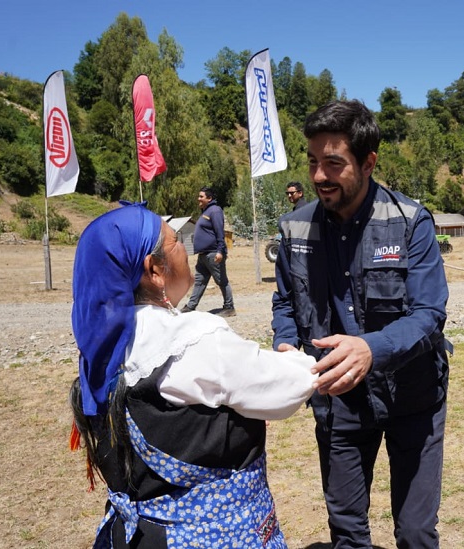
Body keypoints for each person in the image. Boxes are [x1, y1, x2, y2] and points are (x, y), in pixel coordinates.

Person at [69, 202, 317, 548]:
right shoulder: (192, 343)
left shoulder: (100, 350)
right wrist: (299, 361)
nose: (186, 251)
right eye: (176, 242)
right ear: (155, 270)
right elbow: (285, 389)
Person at [271, 100, 451, 548]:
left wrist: (372, 348)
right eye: (313, 162)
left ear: (368, 162)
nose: (318, 176)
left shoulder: (411, 222)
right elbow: (286, 302)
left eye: (333, 163)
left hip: (413, 397)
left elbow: (429, 314)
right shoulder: (294, 229)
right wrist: (285, 343)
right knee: (348, 532)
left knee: (414, 532)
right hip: (339, 405)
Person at [180, 186, 236, 316]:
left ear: (209, 198)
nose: (198, 199)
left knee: (221, 280)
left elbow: (219, 232)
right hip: (204, 255)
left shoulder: (215, 211)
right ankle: (191, 306)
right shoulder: (206, 211)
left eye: (201, 196)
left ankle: (229, 307)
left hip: (213, 253)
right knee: (199, 281)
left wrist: (220, 251)